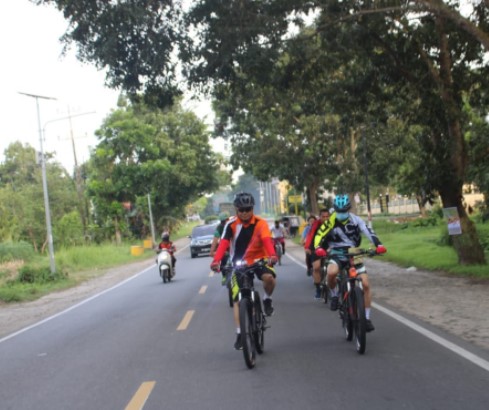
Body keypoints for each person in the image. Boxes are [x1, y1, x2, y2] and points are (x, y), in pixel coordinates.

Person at [210, 192, 278, 350]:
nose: (244, 213)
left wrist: (272, 255)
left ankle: (267, 299)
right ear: (236, 209)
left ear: (252, 208)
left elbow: (267, 240)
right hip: (238, 264)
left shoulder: (261, 223)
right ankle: (240, 333)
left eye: (248, 209)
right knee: (237, 299)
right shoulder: (231, 225)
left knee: (269, 279)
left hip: (260, 259)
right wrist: (216, 261)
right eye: (241, 210)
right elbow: (224, 244)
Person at [313, 194, 387, 332]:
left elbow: (368, 232)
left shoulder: (356, 220)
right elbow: (319, 235)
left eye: (344, 211)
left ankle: (366, 318)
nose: (341, 214)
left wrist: (379, 245)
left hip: (354, 251)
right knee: (331, 272)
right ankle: (334, 295)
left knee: (365, 284)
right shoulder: (330, 221)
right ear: (335, 210)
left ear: (349, 209)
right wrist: (318, 248)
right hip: (336, 251)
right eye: (338, 211)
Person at [304, 209, 330, 296]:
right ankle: (318, 288)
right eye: (323, 217)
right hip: (316, 246)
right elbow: (310, 235)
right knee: (316, 268)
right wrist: (307, 247)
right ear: (320, 217)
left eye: (327, 216)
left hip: (328, 246)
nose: (325, 219)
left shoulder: (332, 224)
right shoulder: (316, 224)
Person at [210, 212, 232, 284]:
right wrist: (212, 251)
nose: (223, 223)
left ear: (228, 219)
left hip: (234, 245)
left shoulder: (233, 224)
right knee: (223, 260)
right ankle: (224, 276)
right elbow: (215, 239)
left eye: (225, 221)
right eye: (222, 222)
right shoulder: (219, 227)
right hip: (225, 246)